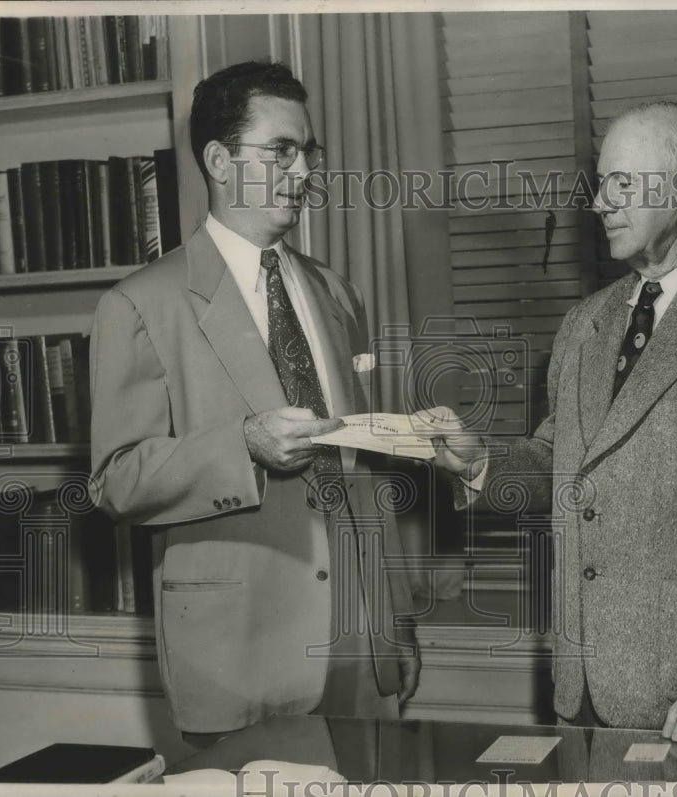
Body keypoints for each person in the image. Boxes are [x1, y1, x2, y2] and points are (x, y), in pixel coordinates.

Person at [419, 101, 677, 741]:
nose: (599, 204)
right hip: (580, 682)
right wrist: (480, 462)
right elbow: (562, 459)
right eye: (600, 184)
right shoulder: (584, 322)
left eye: (622, 183)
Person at [89, 61, 419, 743]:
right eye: (282, 151)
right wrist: (242, 443)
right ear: (218, 158)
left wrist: (397, 621)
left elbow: (368, 473)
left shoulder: (336, 292)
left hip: (360, 652)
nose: (304, 171)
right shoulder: (140, 304)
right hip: (238, 660)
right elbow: (116, 479)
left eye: (308, 151)